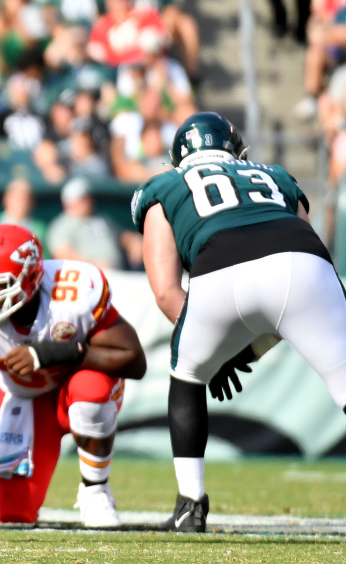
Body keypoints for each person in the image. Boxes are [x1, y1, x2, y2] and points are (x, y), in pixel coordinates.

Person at [133, 112, 346, 531]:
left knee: (188, 374)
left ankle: (190, 505)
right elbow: (301, 266)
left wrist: (211, 350)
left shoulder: (164, 186)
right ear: (234, 149)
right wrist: (247, 348)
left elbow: (165, 290)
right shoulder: (276, 176)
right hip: (304, 266)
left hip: (217, 270)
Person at [0, 224, 145, 528]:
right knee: (11, 515)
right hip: (24, 400)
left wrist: (59, 353)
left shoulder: (73, 291)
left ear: (30, 278)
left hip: (76, 386)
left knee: (91, 391)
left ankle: (95, 490)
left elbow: (133, 360)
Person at [47, 178, 124, 270]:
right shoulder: (61, 225)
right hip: (89, 276)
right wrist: (94, 266)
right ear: (69, 202)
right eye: (82, 199)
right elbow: (62, 254)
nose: (88, 201)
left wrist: (133, 242)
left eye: (88, 197)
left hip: (120, 273)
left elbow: (122, 236)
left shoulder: (102, 218)